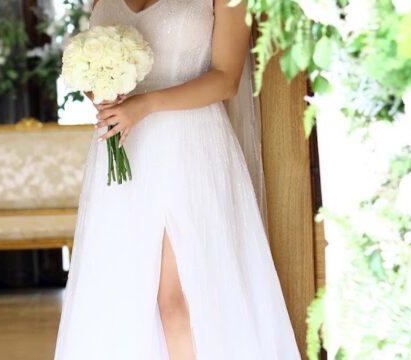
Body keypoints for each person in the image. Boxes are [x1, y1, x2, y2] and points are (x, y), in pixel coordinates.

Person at [54, 0, 300, 358]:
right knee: (126, 287)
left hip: (188, 146)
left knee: (176, 297)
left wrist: (145, 105)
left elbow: (226, 79)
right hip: (125, 148)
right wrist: (103, 91)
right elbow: (92, 71)